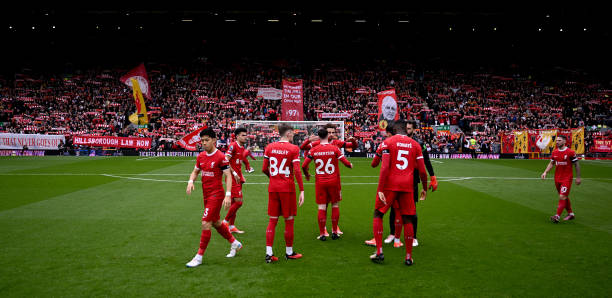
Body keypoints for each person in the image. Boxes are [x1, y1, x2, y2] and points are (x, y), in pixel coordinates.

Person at [370, 120, 428, 266]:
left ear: (395, 129)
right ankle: (408, 257)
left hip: (390, 185)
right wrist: (425, 188)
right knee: (407, 219)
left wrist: (381, 188)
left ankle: (379, 252)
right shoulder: (415, 145)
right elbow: (422, 170)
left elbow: (382, 167)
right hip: (407, 186)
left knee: (378, 214)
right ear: (405, 129)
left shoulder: (388, 142)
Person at [185, 128, 243, 268]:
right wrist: (191, 181)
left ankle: (199, 257)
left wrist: (228, 195)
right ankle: (235, 243)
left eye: (207, 140)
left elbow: (228, 176)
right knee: (216, 222)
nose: (204, 143)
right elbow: (195, 171)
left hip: (216, 195)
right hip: (206, 195)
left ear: (214, 140)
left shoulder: (220, 157)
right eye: (202, 141)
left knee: (206, 223)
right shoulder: (201, 157)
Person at [300, 123, 357, 236]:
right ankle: (325, 228)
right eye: (329, 132)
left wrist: (354, 140)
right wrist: (308, 140)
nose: (331, 134)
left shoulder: (337, 143)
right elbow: (302, 147)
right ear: (326, 133)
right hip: (332, 178)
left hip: (328, 179)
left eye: (333, 132)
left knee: (330, 203)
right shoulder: (319, 144)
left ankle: (332, 228)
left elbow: (353, 147)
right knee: (327, 204)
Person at [262, 123, 305, 263]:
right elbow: (297, 171)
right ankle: (289, 252)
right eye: (292, 133)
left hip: (273, 187)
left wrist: (274, 178)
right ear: (288, 133)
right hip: (287, 188)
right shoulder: (293, 148)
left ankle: (269, 253)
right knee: (289, 220)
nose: (293, 135)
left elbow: (264, 168)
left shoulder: (269, 147)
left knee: (272, 220)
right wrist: (302, 190)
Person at [541, 135, 581, 223]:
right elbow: (552, 163)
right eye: (557, 140)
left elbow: (577, 164)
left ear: (564, 141)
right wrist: (545, 172)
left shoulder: (570, 152)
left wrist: (578, 177)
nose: (557, 142)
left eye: (559, 140)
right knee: (564, 196)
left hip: (567, 178)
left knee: (562, 196)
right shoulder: (555, 152)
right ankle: (571, 214)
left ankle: (557, 216)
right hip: (557, 178)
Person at [222, 127, 250, 234]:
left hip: (238, 177)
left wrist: (241, 174)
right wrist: (234, 173)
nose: (245, 137)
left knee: (234, 202)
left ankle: (231, 226)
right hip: (232, 178)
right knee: (239, 202)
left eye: (245, 135)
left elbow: (238, 162)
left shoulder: (242, 147)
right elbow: (225, 160)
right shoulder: (233, 146)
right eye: (243, 135)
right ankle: (225, 222)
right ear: (237, 136)